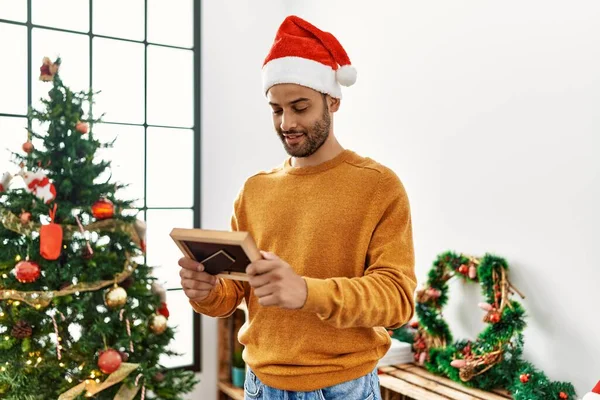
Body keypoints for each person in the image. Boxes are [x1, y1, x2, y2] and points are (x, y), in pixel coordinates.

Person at [178, 15, 417, 400]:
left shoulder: (378, 185)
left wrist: (307, 292)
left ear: (333, 100)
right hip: (260, 387)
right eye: (276, 109)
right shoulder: (254, 190)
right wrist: (205, 291)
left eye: (300, 107)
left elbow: (397, 301)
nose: (287, 122)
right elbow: (234, 295)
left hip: (344, 389)